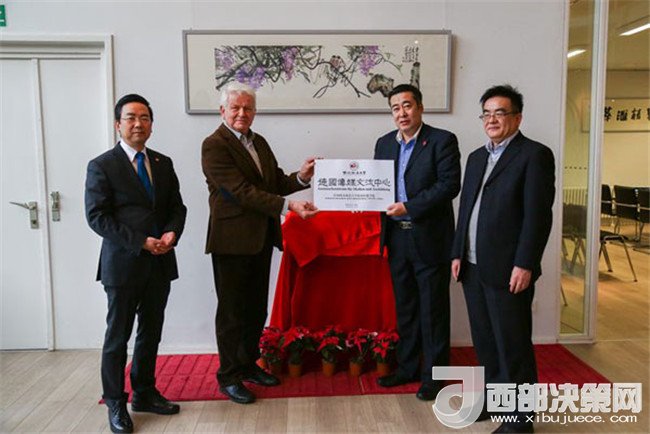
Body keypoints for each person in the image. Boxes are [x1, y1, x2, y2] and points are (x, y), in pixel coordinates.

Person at [201, 82, 318, 404]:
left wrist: (302, 177)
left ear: (254, 112)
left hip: (261, 238)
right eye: (235, 108)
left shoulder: (259, 142)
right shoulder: (214, 145)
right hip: (231, 240)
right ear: (222, 111)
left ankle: (248, 365)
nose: (242, 113)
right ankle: (229, 376)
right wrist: (288, 206)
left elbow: (273, 182)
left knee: (255, 308)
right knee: (231, 313)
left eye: (248, 108)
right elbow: (239, 191)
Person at [451, 84, 555, 433]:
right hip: (472, 265)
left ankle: (520, 421)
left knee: (512, 345)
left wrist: (525, 263)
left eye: (500, 112)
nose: (492, 119)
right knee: (485, 341)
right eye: (487, 113)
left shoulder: (534, 155)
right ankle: (497, 402)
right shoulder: (476, 157)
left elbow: (538, 217)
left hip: (509, 268)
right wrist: (457, 252)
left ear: (517, 118)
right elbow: (466, 209)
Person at [85, 94, 187, 433]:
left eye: (144, 117)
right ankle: (116, 401)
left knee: (150, 333)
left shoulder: (162, 163)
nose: (138, 123)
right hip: (123, 265)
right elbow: (97, 217)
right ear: (118, 124)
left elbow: (177, 207)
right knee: (118, 337)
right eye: (130, 117)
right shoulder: (102, 165)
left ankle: (144, 392)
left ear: (151, 125)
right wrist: (141, 241)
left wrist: (172, 232)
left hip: (159, 262)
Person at [374, 84, 461, 401]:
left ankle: (434, 377)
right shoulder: (384, 143)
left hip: (429, 238)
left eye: (407, 105)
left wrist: (409, 206)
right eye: (395, 108)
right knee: (406, 307)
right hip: (397, 237)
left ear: (421, 108)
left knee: (433, 310)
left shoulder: (442, 140)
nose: (402, 113)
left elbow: (449, 185)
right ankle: (408, 368)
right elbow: (376, 186)